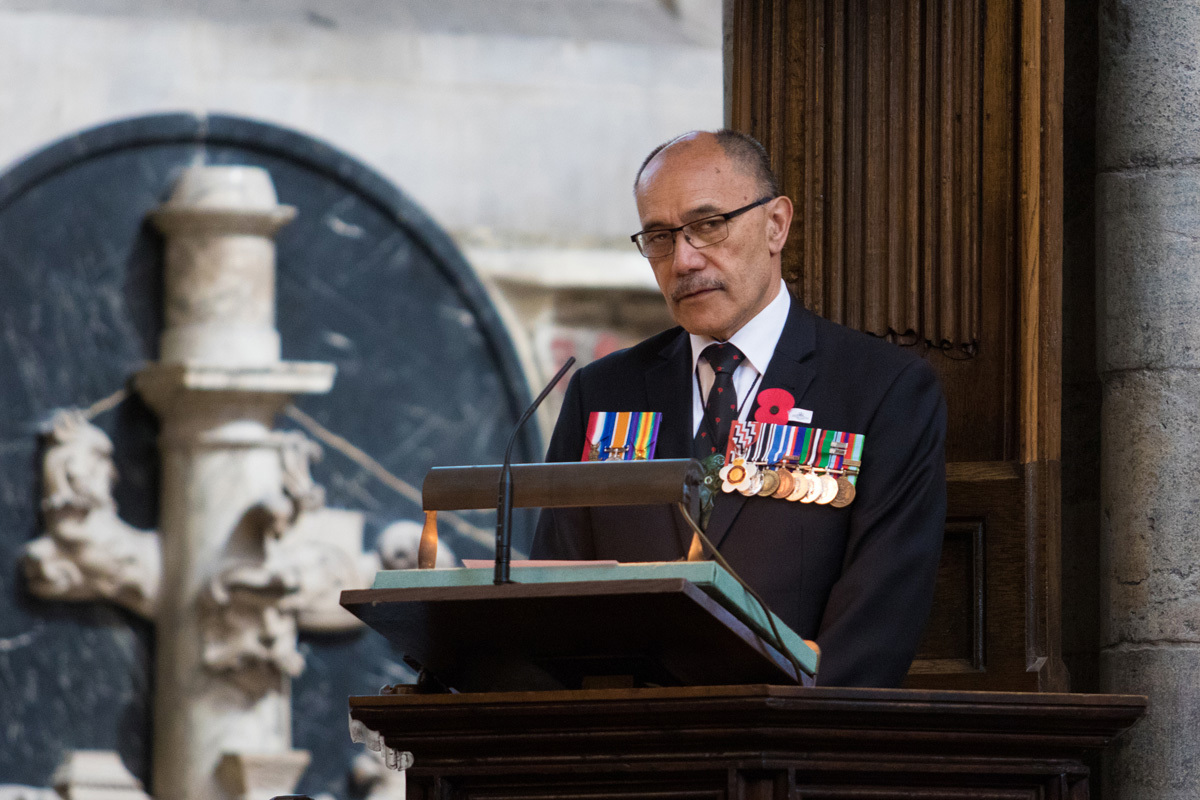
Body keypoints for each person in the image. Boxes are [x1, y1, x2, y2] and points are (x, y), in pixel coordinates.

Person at [531, 130, 946, 688]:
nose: (683, 260)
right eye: (659, 237)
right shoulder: (602, 393)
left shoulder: (880, 390)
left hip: (787, 729)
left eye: (708, 225)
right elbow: (554, 598)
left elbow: (879, 619)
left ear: (776, 225)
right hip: (628, 732)